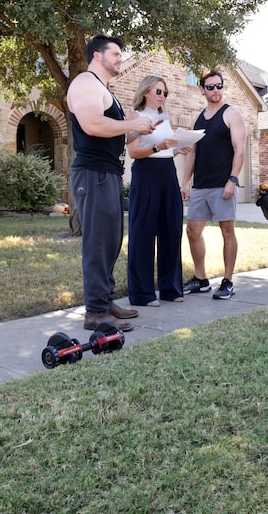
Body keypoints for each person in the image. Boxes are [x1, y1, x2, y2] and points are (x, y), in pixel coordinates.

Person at [67, 34, 155, 331]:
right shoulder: (85, 83)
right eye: (115, 53)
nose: (120, 58)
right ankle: (95, 312)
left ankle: (104, 302)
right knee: (98, 243)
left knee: (111, 241)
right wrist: (133, 123)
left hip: (109, 174)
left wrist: (145, 131)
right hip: (93, 174)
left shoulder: (104, 89)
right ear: (97, 56)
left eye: (120, 54)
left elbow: (112, 131)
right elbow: (92, 125)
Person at [126, 75, 192, 307]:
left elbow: (163, 149)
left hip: (167, 172)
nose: (162, 96)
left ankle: (171, 288)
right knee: (143, 232)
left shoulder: (165, 118)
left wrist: (176, 150)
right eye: (158, 91)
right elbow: (134, 151)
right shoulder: (136, 117)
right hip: (146, 174)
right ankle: (142, 294)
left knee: (171, 229)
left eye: (165, 92)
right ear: (145, 92)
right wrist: (158, 146)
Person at [180, 70, 247, 300]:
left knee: (227, 231)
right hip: (200, 186)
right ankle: (201, 279)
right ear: (202, 90)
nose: (216, 90)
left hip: (222, 185)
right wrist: (185, 183)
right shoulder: (198, 119)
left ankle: (228, 281)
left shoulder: (232, 114)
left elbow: (240, 150)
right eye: (211, 87)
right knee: (192, 231)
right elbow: (192, 154)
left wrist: (233, 179)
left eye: (219, 86)